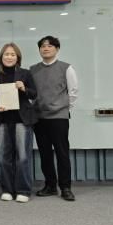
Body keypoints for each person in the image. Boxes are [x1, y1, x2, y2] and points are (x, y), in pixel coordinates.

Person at [30, 36, 78, 201]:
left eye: (50, 46)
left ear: (57, 49)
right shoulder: (33, 69)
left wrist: (64, 109)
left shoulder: (66, 68)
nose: (46, 48)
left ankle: (66, 188)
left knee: (62, 153)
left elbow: (73, 92)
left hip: (59, 117)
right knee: (45, 154)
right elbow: (31, 93)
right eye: (43, 46)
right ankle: (50, 185)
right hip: (39, 118)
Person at [0, 43, 38, 202]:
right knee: (3, 156)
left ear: (17, 57)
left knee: (23, 157)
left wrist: (24, 88)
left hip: (21, 120)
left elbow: (34, 94)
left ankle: (23, 190)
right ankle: (7, 189)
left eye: (12, 54)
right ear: (1, 57)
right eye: (6, 54)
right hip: (3, 120)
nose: (9, 57)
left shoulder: (25, 74)